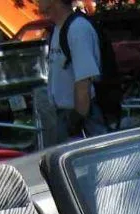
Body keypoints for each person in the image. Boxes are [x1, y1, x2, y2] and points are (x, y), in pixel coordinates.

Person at [38, 0, 108, 140]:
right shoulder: (58, 29)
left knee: (90, 160)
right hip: (65, 115)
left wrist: (77, 118)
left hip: (83, 119)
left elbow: (84, 80)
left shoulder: (78, 28)